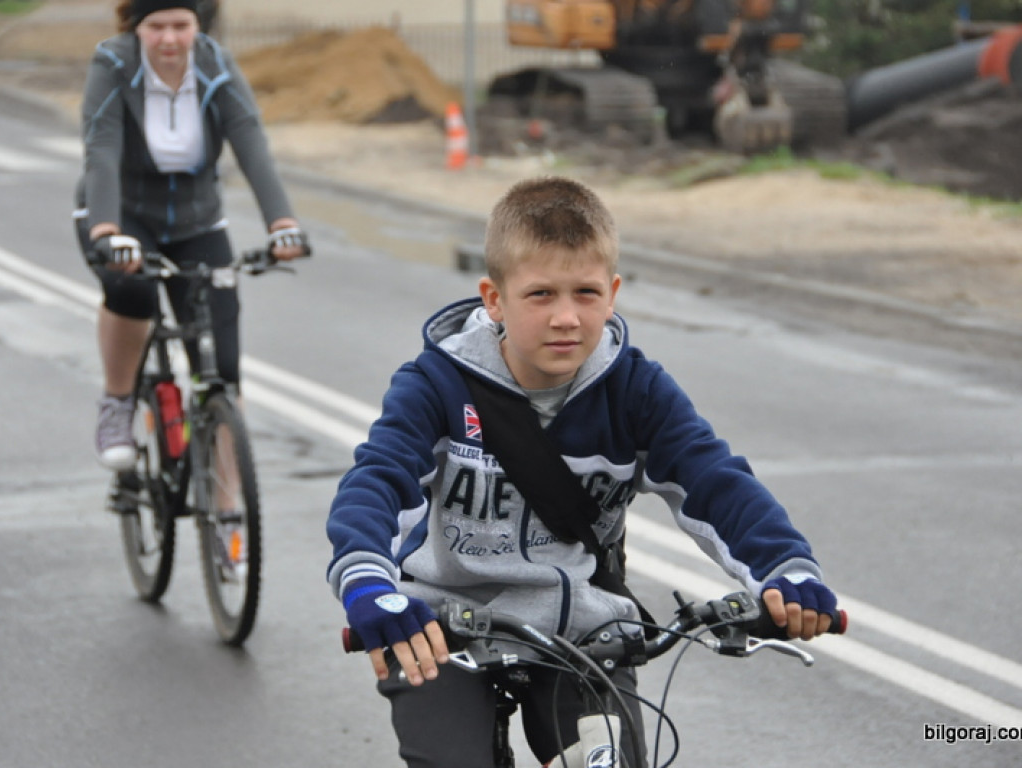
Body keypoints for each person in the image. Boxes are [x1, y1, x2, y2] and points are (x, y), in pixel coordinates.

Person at [326, 176, 838, 768]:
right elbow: (377, 481)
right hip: (442, 627)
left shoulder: (636, 390)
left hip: (583, 632)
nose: (566, 317)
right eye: (540, 294)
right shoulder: (436, 386)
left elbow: (715, 480)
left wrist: (784, 567)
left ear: (613, 293)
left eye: (586, 293)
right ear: (494, 298)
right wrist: (368, 583)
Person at [74, 0, 308, 470]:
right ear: (136, 28)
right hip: (122, 213)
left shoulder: (215, 66)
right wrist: (105, 229)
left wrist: (282, 223)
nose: (168, 39)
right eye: (155, 26)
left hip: (197, 221)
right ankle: (118, 404)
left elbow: (251, 143)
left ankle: (228, 520)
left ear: (198, 27)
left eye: (180, 25)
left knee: (222, 369)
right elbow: (100, 149)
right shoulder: (113, 63)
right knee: (132, 290)